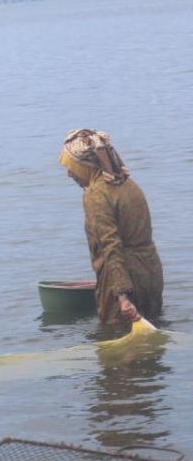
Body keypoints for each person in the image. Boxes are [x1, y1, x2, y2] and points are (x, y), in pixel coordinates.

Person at [59, 128, 163, 326]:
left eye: (72, 167)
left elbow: (110, 247)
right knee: (151, 336)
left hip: (124, 278)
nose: (69, 174)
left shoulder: (97, 194)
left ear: (87, 165)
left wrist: (122, 295)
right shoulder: (128, 183)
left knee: (116, 344)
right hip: (151, 273)